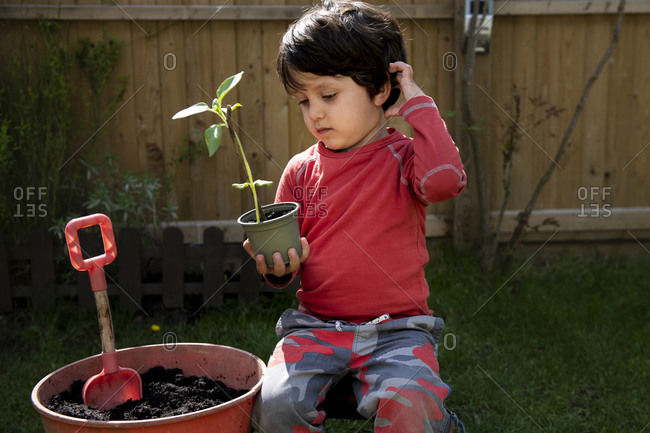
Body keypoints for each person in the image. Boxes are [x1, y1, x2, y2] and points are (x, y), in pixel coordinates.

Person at [246, 1, 467, 431]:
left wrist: (419, 105)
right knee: (273, 402)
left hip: (398, 331)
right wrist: (279, 267)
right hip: (315, 327)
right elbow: (288, 266)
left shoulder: (405, 158)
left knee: (411, 403)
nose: (315, 113)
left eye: (328, 95)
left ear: (381, 89)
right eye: (303, 101)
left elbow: (444, 182)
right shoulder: (300, 171)